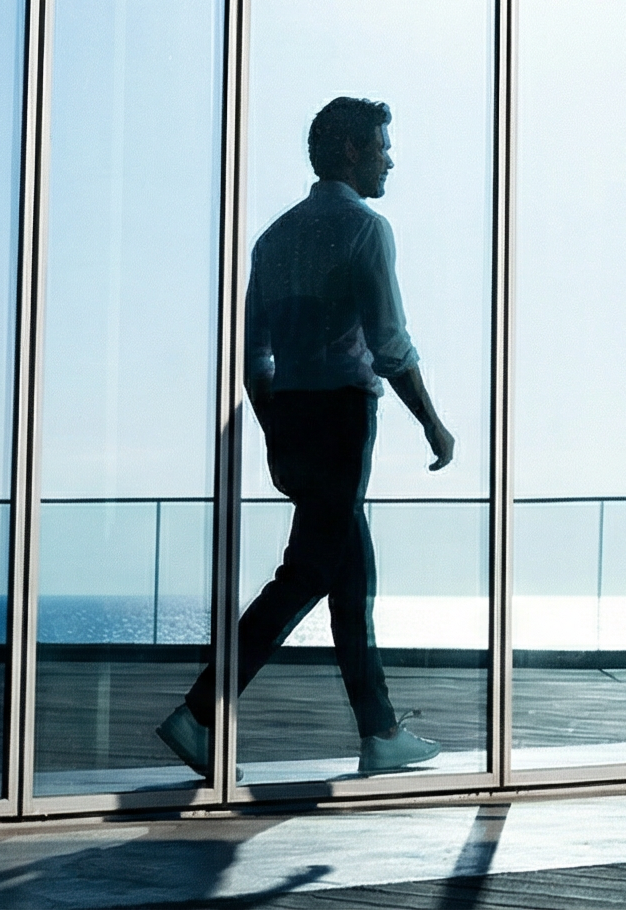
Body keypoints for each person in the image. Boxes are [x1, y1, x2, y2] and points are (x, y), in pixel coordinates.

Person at [158, 97, 455, 778]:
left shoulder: (274, 237)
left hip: (291, 415)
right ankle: (200, 711)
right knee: (308, 573)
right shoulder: (364, 229)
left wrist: (274, 431)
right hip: (343, 416)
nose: (389, 158)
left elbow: (253, 356)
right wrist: (433, 424)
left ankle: (379, 732)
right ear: (350, 150)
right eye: (381, 145)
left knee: (351, 575)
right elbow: (389, 344)